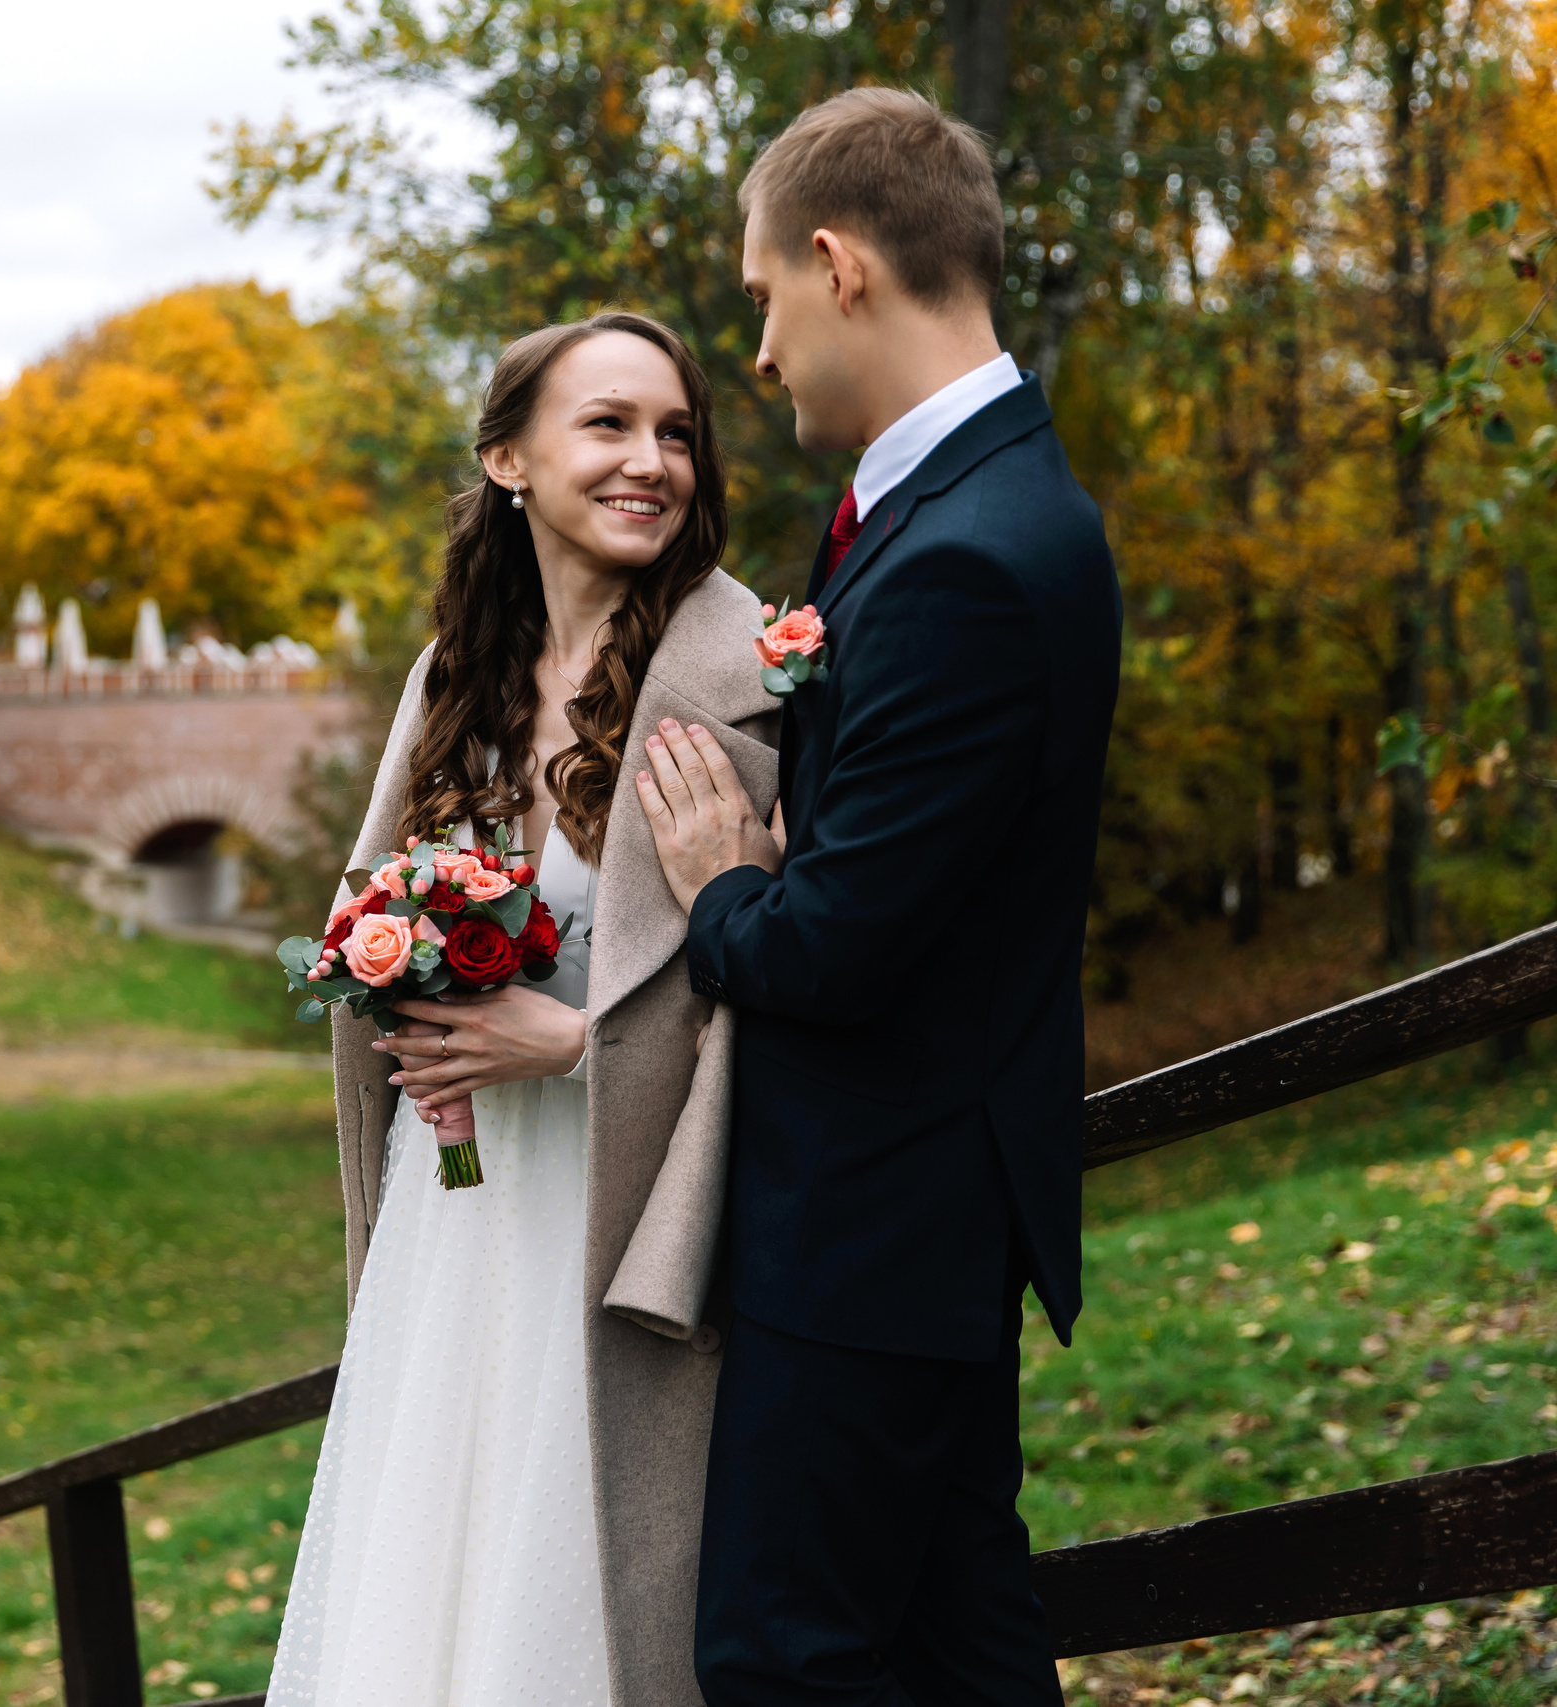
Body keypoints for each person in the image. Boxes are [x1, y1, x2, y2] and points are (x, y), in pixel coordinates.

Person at [636, 88, 1124, 1707]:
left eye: (764, 298)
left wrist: (719, 888)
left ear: (839, 266)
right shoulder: (960, 506)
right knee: (954, 1644)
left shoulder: (970, 556)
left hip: (873, 1223)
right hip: (912, 1211)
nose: (758, 357)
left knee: (781, 1662)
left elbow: (833, 947)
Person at [266, 311, 780, 1707]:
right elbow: (369, 922)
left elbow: (782, 977)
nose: (652, 462)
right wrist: (407, 1005)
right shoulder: (457, 682)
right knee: (437, 1591)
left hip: (618, 1216)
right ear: (508, 457)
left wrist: (569, 1044)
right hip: (464, 1220)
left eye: (676, 432)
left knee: (586, 1600)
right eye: (608, 425)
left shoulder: (757, 670)